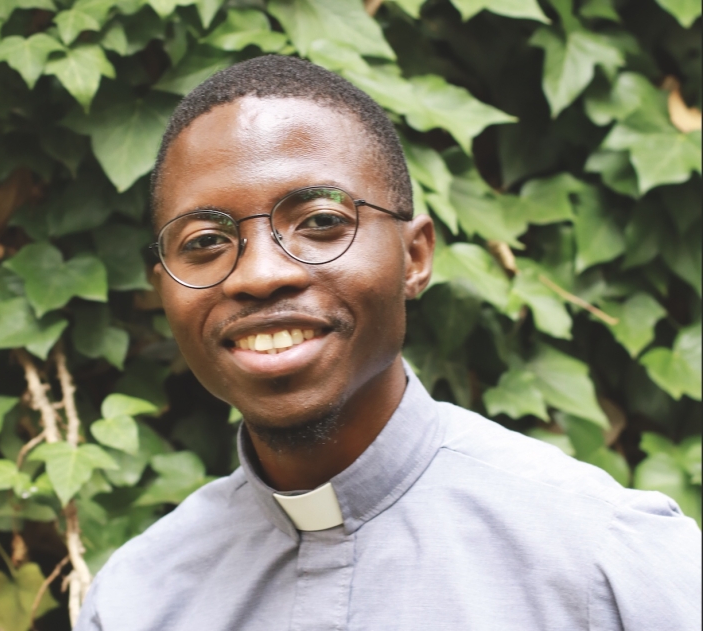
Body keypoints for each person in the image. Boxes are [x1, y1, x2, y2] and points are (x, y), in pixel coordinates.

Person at [75, 56, 701, 630]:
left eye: (321, 223)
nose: (261, 274)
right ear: (165, 291)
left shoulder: (606, 559)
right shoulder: (137, 599)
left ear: (415, 257)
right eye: (205, 242)